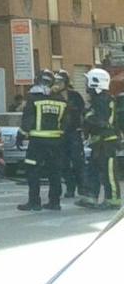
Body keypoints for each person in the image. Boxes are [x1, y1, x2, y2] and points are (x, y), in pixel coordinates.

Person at [17, 71, 68, 212]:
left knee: (33, 171)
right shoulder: (61, 100)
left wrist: (20, 135)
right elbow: (66, 122)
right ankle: (54, 202)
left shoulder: (33, 98)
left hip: (37, 142)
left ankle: (34, 202)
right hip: (56, 143)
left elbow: (27, 119)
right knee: (55, 172)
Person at [77, 68, 119, 209]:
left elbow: (101, 121)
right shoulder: (97, 100)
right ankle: (91, 197)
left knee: (108, 172)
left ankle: (113, 200)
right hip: (98, 142)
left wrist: (87, 116)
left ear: (96, 83)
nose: (86, 85)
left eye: (88, 81)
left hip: (106, 143)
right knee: (93, 170)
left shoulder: (104, 100)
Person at [54, 71, 86, 199]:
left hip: (74, 133)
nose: (57, 84)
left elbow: (83, 113)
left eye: (60, 82)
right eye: (56, 82)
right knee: (63, 162)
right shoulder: (53, 96)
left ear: (66, 83)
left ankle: (82, 187)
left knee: (78, 161)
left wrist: (83, 129)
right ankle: (70, 187)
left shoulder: (75, 96)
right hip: (60, 134)